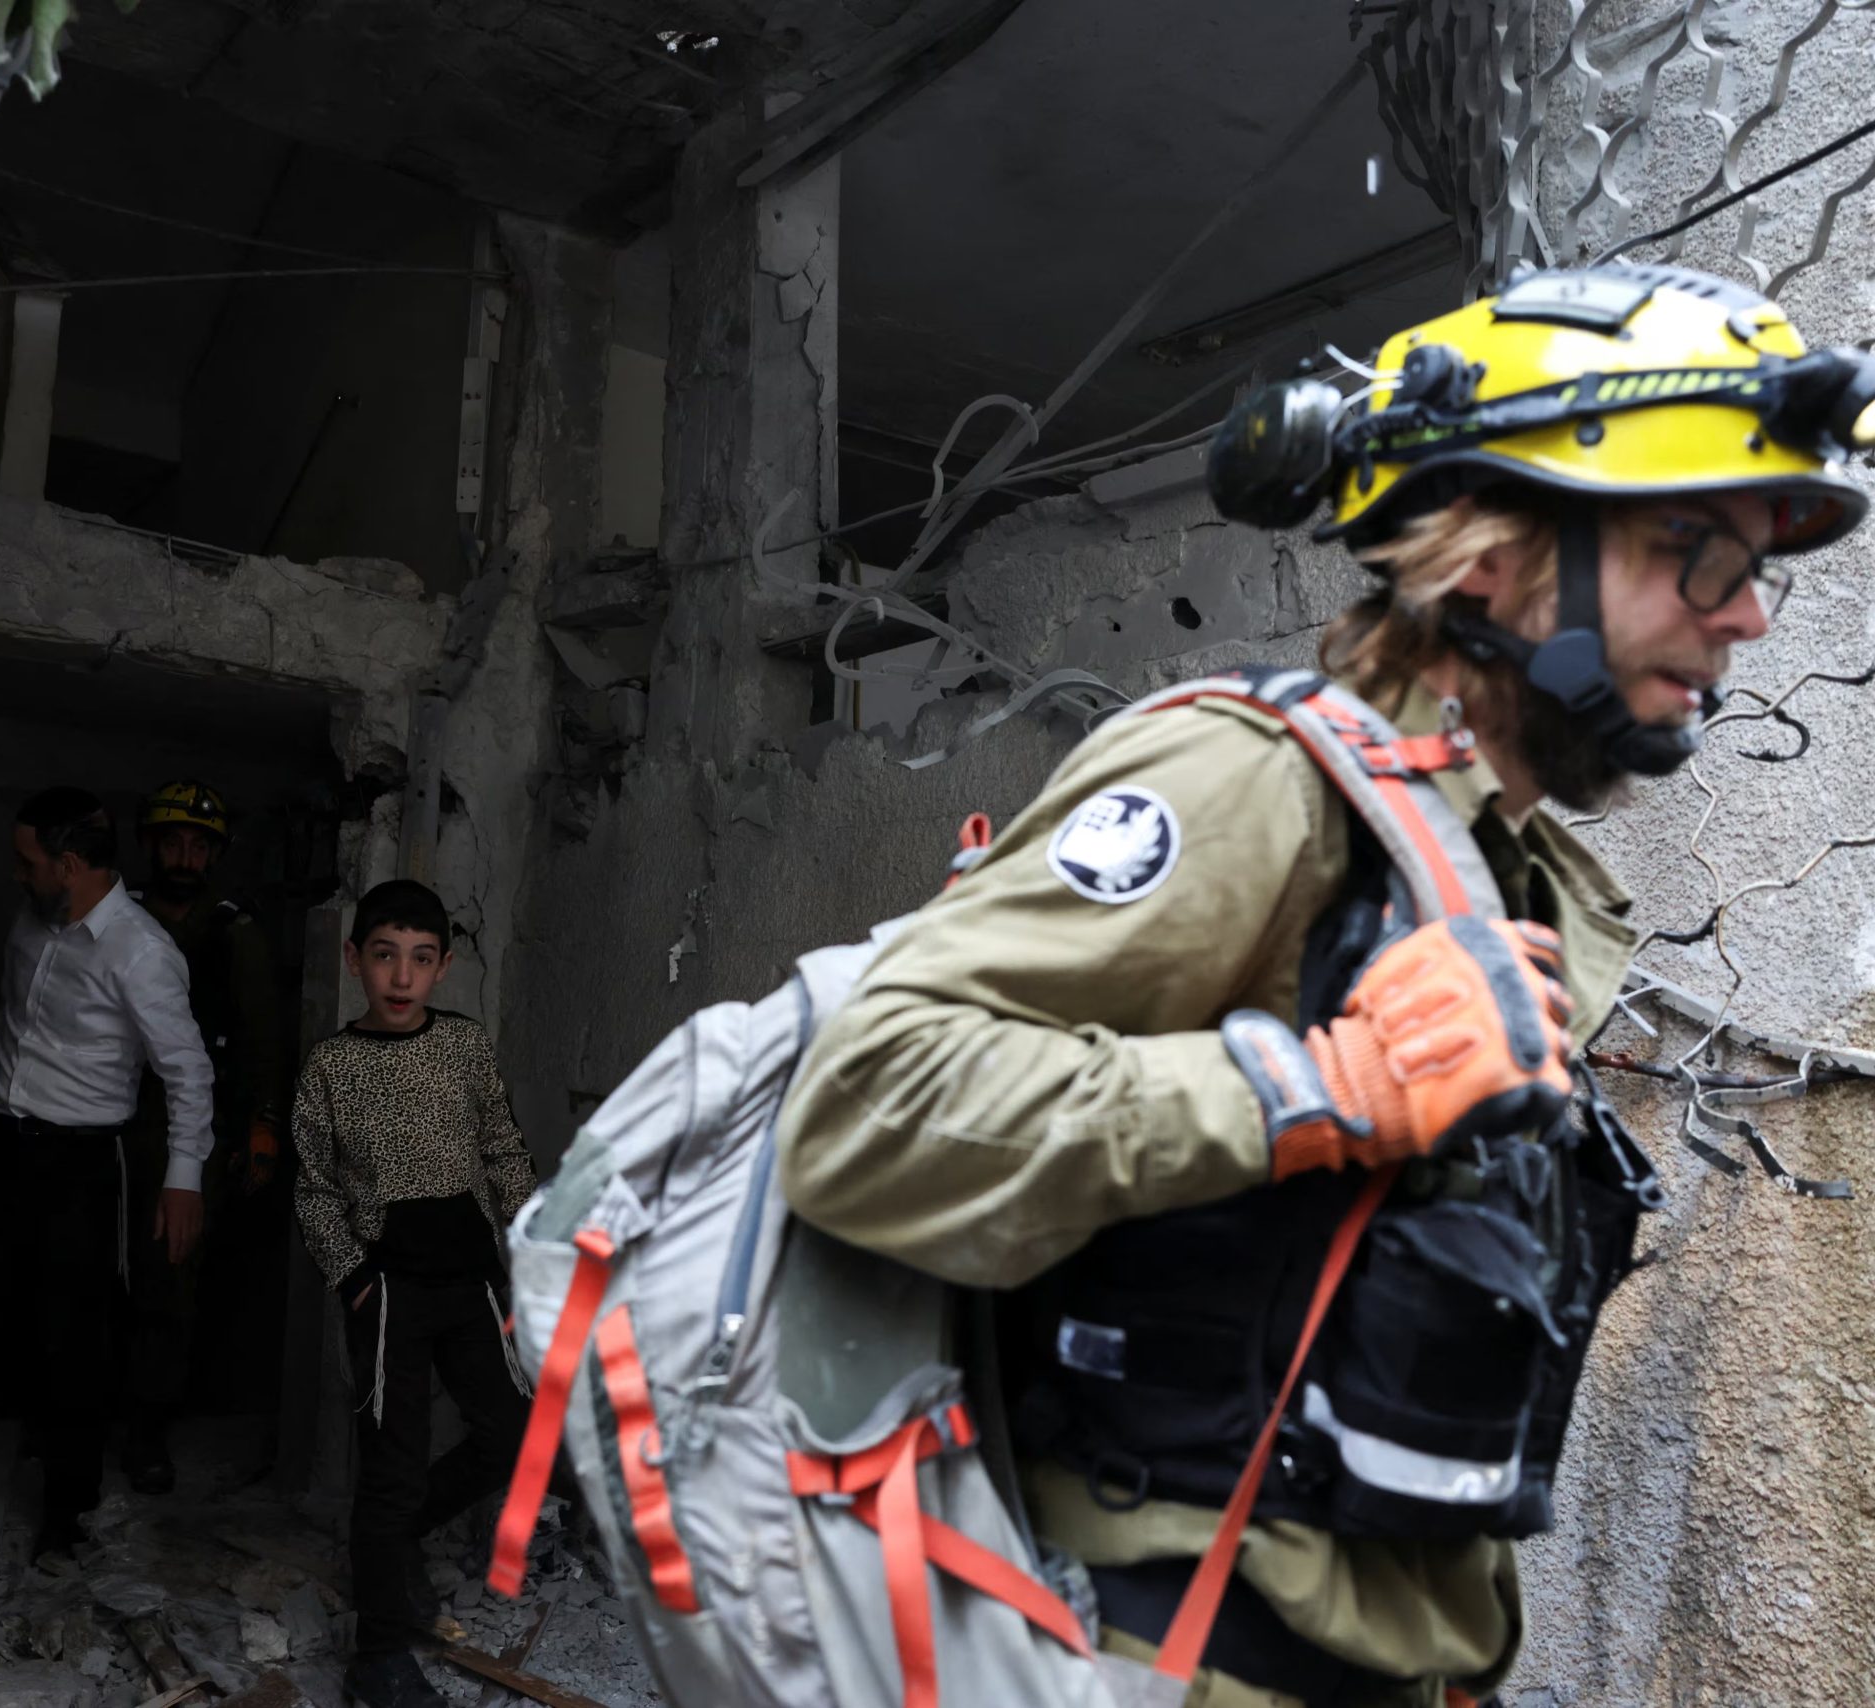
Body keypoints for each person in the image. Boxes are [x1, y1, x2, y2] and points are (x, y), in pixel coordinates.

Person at [775, 264, 1873, 1707]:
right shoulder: (1256, 784)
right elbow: (864, 1107)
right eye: (1699, 556)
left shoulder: (1491, 864)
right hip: (1157, 1657)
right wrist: (1321, 1088)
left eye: (1758, 569)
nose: (1748, 621)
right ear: (1488, 554)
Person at [0, 787, 216, 1557]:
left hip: (78, 1164)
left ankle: (65, 1512)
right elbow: (8, 1015)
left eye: (30, 863)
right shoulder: (34, 922)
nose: (18, 876)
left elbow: (186, 1070)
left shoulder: (143, 954)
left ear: (71, 866)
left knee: (71, 1340)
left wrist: (184, 1177)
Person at [292, 880, 537, 1708]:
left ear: (444, 967)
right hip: (388, 1289)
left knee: (512, 1433)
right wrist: (353, 1278)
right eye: (386, 956)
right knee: (391, 1468)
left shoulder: (463, 1047)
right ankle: (380, 1656)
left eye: (421, 960)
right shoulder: (332, 1065)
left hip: (469, 1281)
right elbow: (315, 1188)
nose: (402, 977)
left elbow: (503, 1148)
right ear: (355, 959)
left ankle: (388, 1550)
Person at [118, 779, 289, 1493]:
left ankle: (150, 1429)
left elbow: (262, 1040)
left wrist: (264, 1128)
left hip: (192, 1131)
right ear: (151, 846)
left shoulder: (231, 934)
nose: (185, 857)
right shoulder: (116, 921)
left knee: (172, 1281)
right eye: (173, 842)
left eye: (199, 845)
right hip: (110, 1119)